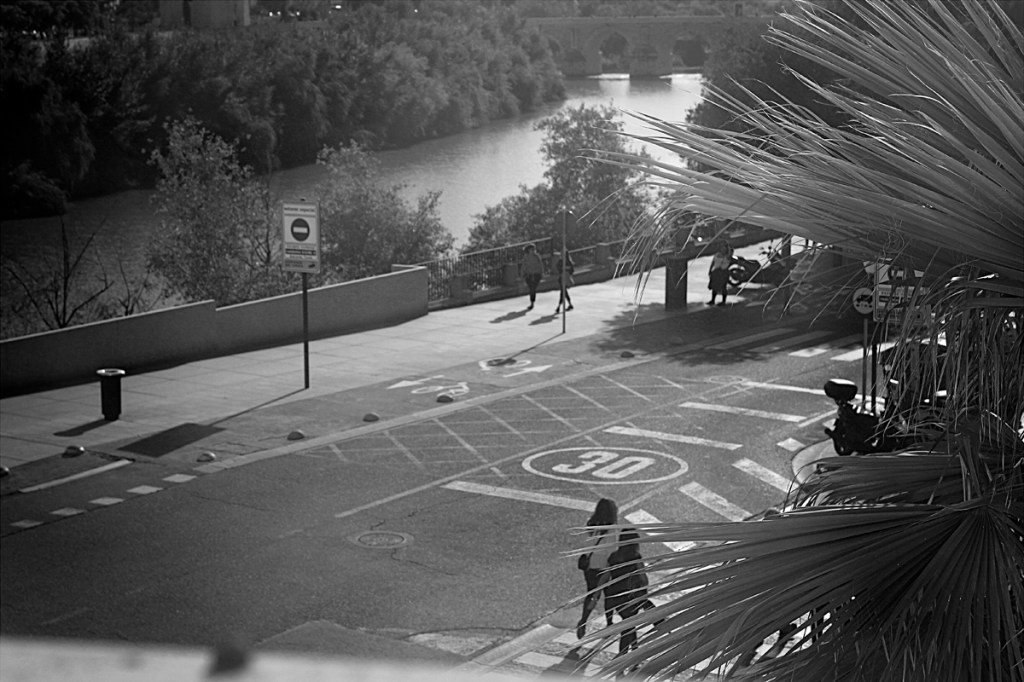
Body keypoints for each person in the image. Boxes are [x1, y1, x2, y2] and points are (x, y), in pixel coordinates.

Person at [604, 529, 658, 656]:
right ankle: (623, 658)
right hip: (632, 596)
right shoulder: (635, 557)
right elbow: (642, 577)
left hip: (617, 597)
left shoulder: (613, 557)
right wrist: (644, 592)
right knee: (629, 627)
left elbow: (605, 577)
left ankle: (634, 652)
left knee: (629, 625)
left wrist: (597, 595)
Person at [576, 497, 618, 639]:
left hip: (590, 565)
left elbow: (585, 543)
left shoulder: (590, 524)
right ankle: (609, 622)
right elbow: (613, 550)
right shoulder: (613, 530)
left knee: (592, 594)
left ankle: (583, 621)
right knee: (609, 595)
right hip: (605, 566)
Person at [520, 243, 545, 310]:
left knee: (533, 288)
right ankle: (532, 302)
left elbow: (540, 265)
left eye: (534, 249)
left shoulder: (537, 256)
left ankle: (532, 302)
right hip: (529, 275)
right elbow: (523, 266)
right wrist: (522, 275)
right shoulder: (526, 257)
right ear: (528, 250)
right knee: (531, 288)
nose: (533, 251)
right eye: (531, 249)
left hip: (536, 274)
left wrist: (542, 273)